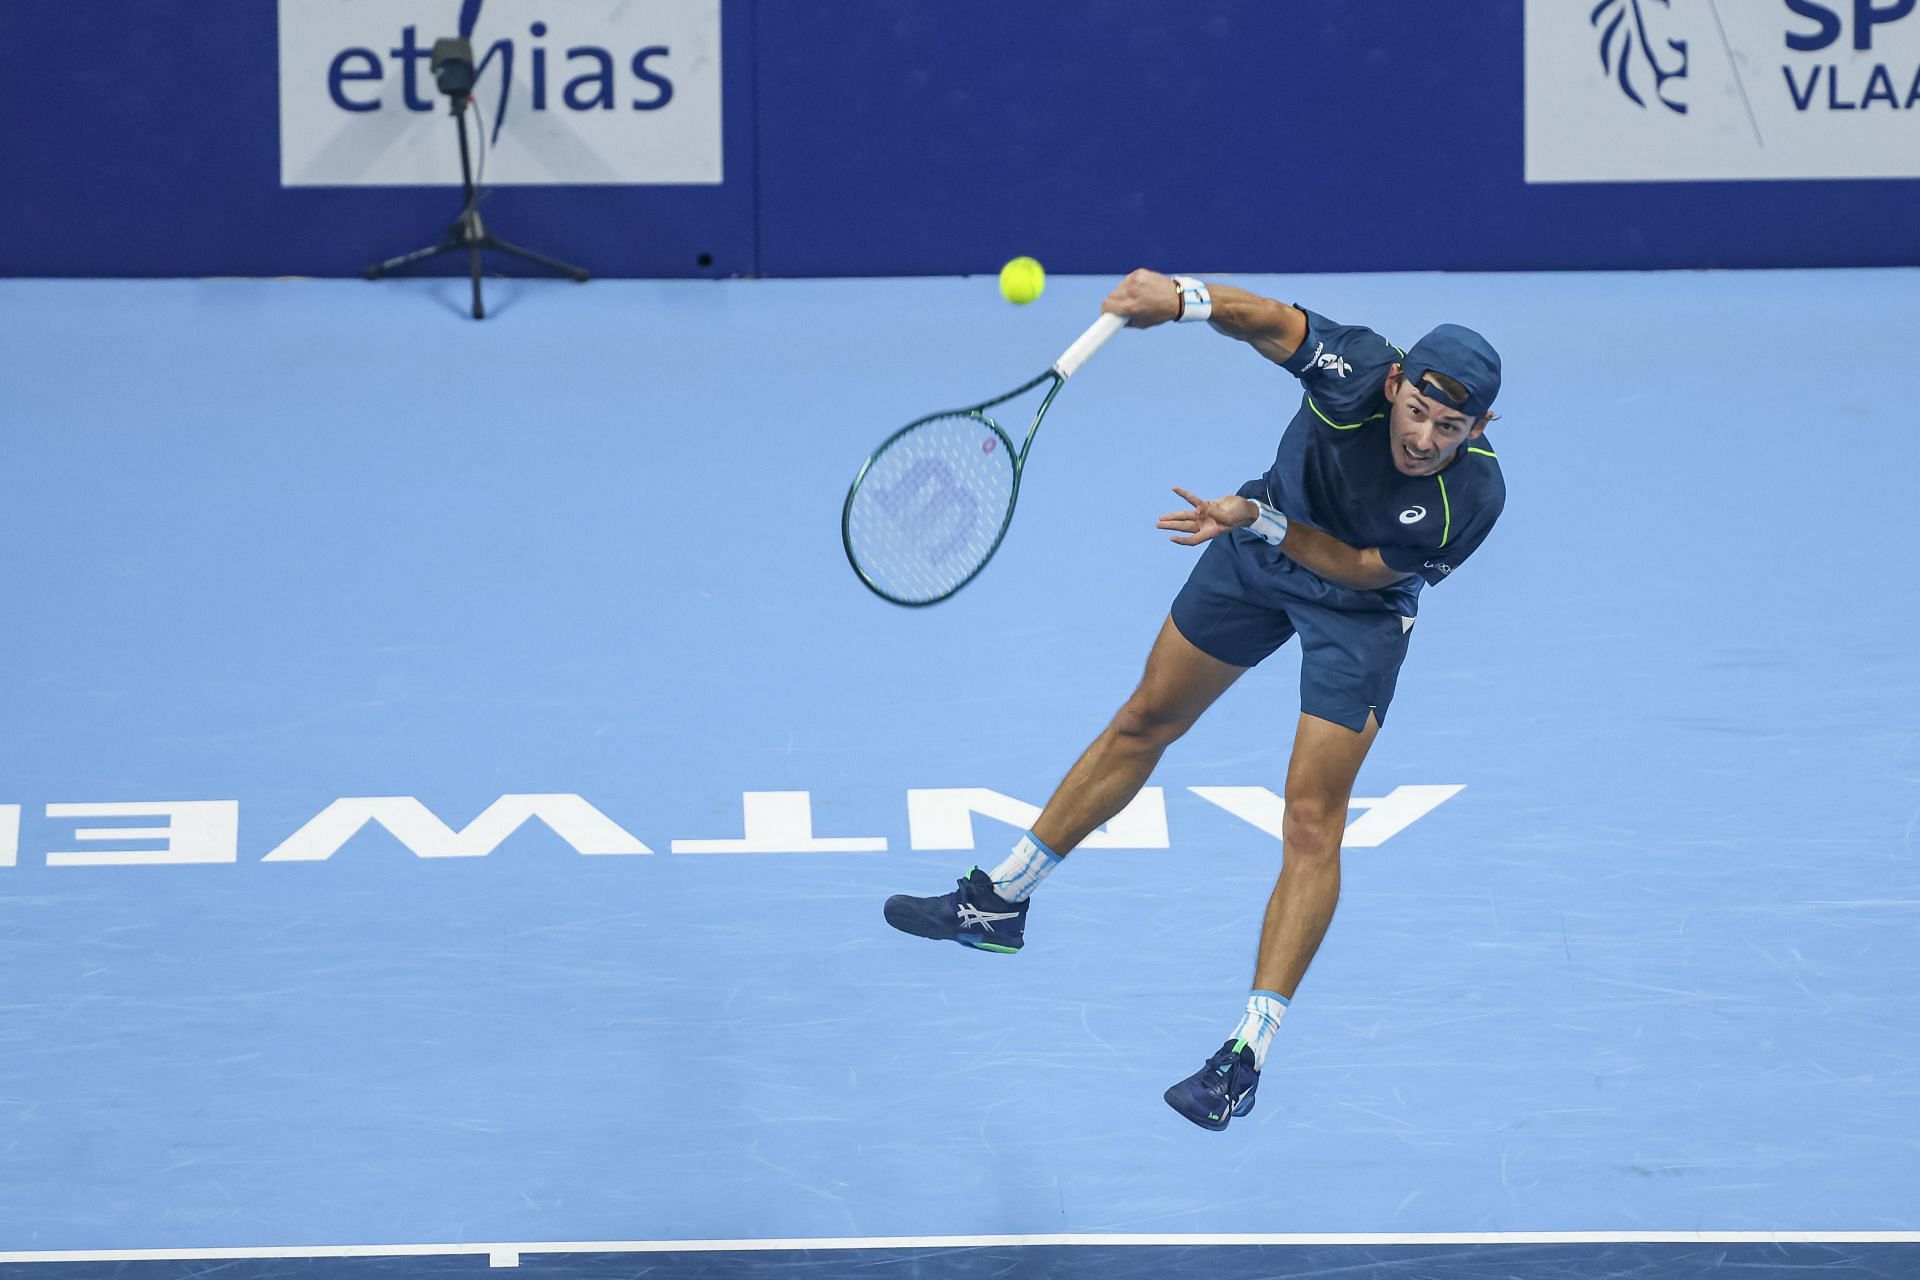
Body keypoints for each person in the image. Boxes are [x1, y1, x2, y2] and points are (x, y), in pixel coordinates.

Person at [883, 269, 1505, 1131]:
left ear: (1480, 428)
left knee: (1312, 820)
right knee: (1146, 719)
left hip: (1351, 611)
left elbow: (1366, 570)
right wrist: (1178, 299)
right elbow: (1267, 320)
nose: (1426, 439)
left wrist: (1258, 519)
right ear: (1394, 384)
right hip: (1256, 543)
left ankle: (1244, 1056)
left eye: (1451, 427)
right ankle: (999, 900)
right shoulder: (1355, 365)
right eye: (1418, 413)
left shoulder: (1470, 496)